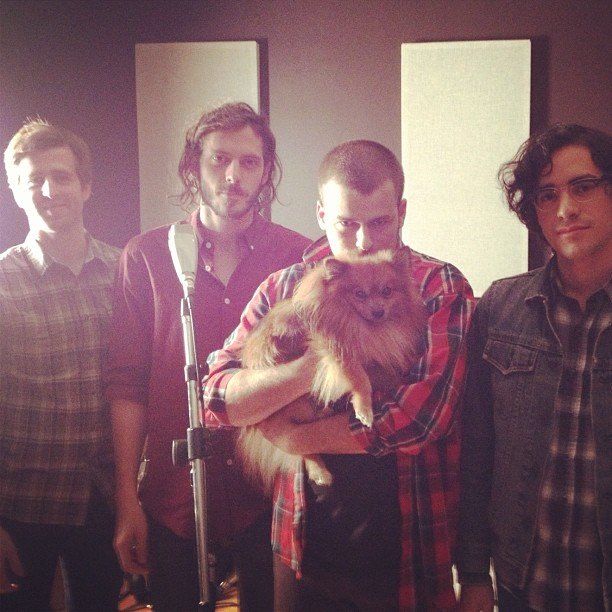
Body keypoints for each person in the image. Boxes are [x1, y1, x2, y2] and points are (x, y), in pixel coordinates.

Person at [204, 140, 476, 610]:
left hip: (406, 545)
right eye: (347, 223)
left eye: (380, 222)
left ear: (402, 212)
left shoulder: (438, 286)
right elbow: (218, 399)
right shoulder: (283, 287)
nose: (364, 241)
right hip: (300, 542)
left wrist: (295, 437)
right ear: (321, 215)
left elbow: (420, 418)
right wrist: (317, 365)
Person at [104, 102, 310, 611]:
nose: (233, 176)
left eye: (249, 162)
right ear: (194, 165)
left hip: (270, 491)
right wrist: (127, 498)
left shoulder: (298, 257)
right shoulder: (146, 256)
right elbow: (128, 386)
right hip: (174, 495)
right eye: (219, 159)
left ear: (266, 171)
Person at [456, 124, 612, 611]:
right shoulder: (500, 308)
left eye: (583, 187)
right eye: (547, 195)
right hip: (522, 586)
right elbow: (476, 451)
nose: (565, 209)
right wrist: (474, 574)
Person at [0, 120, 123, 611]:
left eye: (62, 177)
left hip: (104, 499)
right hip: (19, 504)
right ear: (16, 192)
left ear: (86, 186)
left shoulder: (126, 274)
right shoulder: (1, 282)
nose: (50, 191)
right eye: (34, 180)